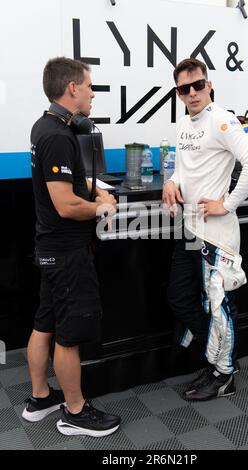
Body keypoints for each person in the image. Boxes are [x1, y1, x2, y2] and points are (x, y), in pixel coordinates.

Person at [22, 57, 121, 437]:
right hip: (66, 253)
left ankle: (40, 398)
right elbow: (65, 205)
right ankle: (74, 413)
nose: (93, 93)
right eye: (90, 85)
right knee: (69, 333)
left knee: (44, 323)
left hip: (49, 247)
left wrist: (96, 190)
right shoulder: (58, 137)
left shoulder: (45, 126)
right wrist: (102, 206)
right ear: (73, 88)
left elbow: (70, 184)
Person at [163, 58, 248, 401]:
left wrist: (228, 203)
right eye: (184, 88)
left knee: (220, 305)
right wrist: (170, 181)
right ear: (178, 93)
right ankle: (215, 357)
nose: (192, 93)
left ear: (208, 84)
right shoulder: (183, 125)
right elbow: (183, 170)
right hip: (190, 230)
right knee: (180, 298)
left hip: (217, 233)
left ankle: (224, 374)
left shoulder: (222, 121)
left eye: (197, 85)